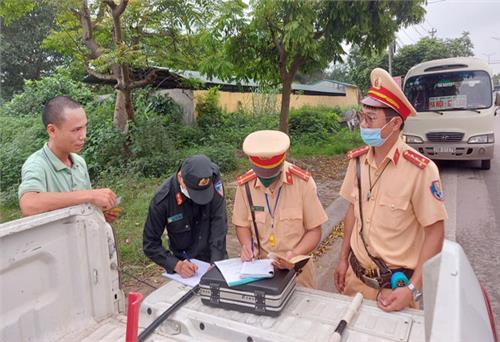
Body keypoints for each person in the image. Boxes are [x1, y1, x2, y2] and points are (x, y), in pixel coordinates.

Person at [334, 68, 447, 312]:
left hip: (395, 289)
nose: (362, 124)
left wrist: (413, 289)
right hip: (355, 279)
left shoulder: (421, 170)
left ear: (395, 123)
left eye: (370, 119)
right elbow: (353, 211)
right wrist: (342, 259)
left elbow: (435, 233)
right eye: (362, 116)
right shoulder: (357, 161)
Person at [232, 130, 328, 288]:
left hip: (297, 272)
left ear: (282, 162)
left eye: (271, 174)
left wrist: (293, 255)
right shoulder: (245, 186)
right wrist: (247, 246)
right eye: (261, 174)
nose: (266, 179)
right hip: (261, 272)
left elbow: (314, 230)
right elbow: (242, 224)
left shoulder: (303, 183)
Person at [18, 96, 118, 222]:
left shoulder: (79, 162)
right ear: (52, 130)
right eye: (76, 130)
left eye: (84, 127)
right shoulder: (37, 164)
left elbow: (82, 206)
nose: (83, 136)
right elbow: (29, 205)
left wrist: (99, 212)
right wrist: (90, 195)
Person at [143, 154, 228, 278]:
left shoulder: (212, 177)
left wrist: (216, 261)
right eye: (194, 193)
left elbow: (219, 221)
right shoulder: (163, 200)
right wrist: (176, 265)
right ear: (181, 178)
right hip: (185, 268)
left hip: (215, 257)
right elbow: (150, 244)